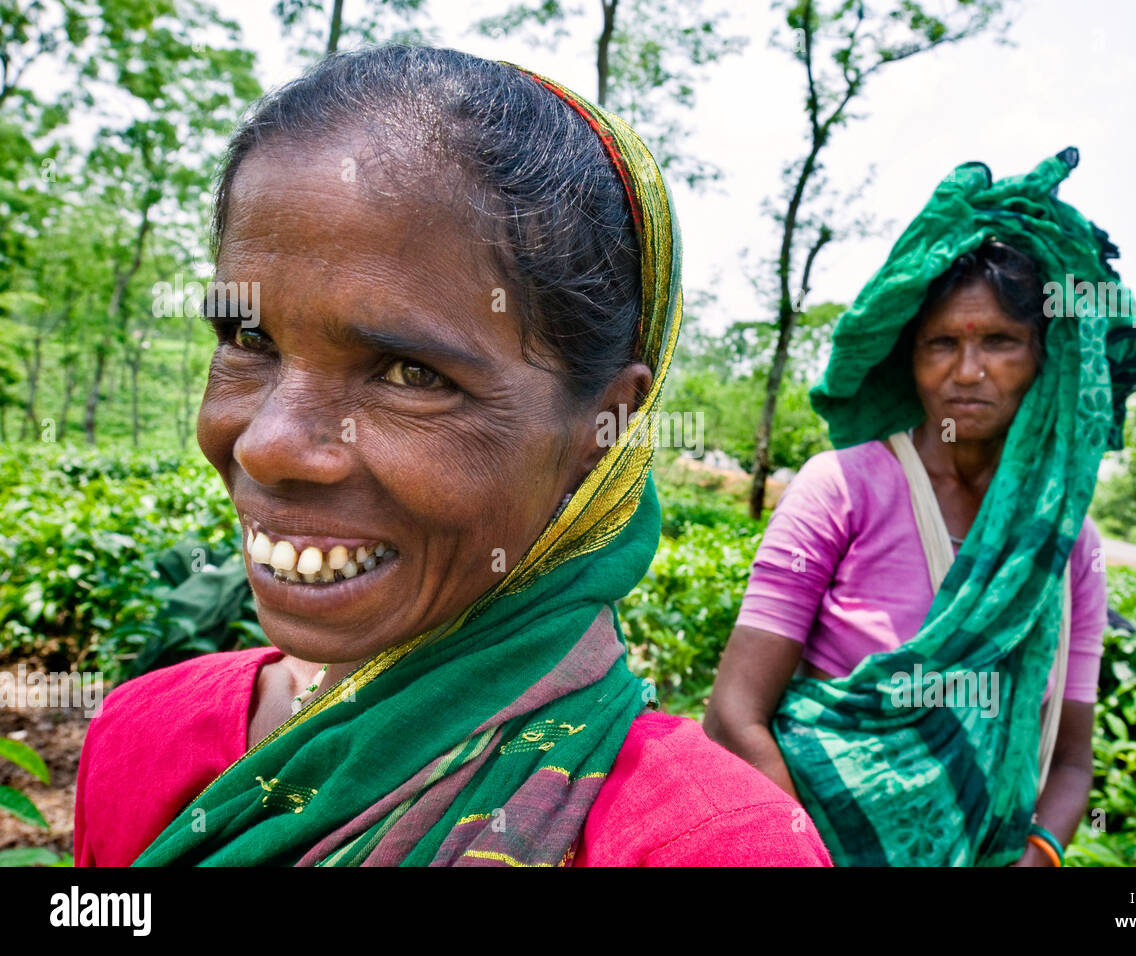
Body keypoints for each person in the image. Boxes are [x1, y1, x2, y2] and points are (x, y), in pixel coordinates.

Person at [73, 45, 831, 867]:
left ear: (605, 427)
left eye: (410, 373)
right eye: (249, 339)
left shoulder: (711, 846)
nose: (268, 444)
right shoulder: (140, 736)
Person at [704, 149, 1136, 866]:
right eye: (941, 343)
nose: (967, 371)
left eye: (1000, 342)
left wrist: (1040, 853)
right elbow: (734, 717)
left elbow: (1072, 762)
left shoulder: (1065, 544)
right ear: (910, 358)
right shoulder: (841, 489)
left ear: (1045, 359)